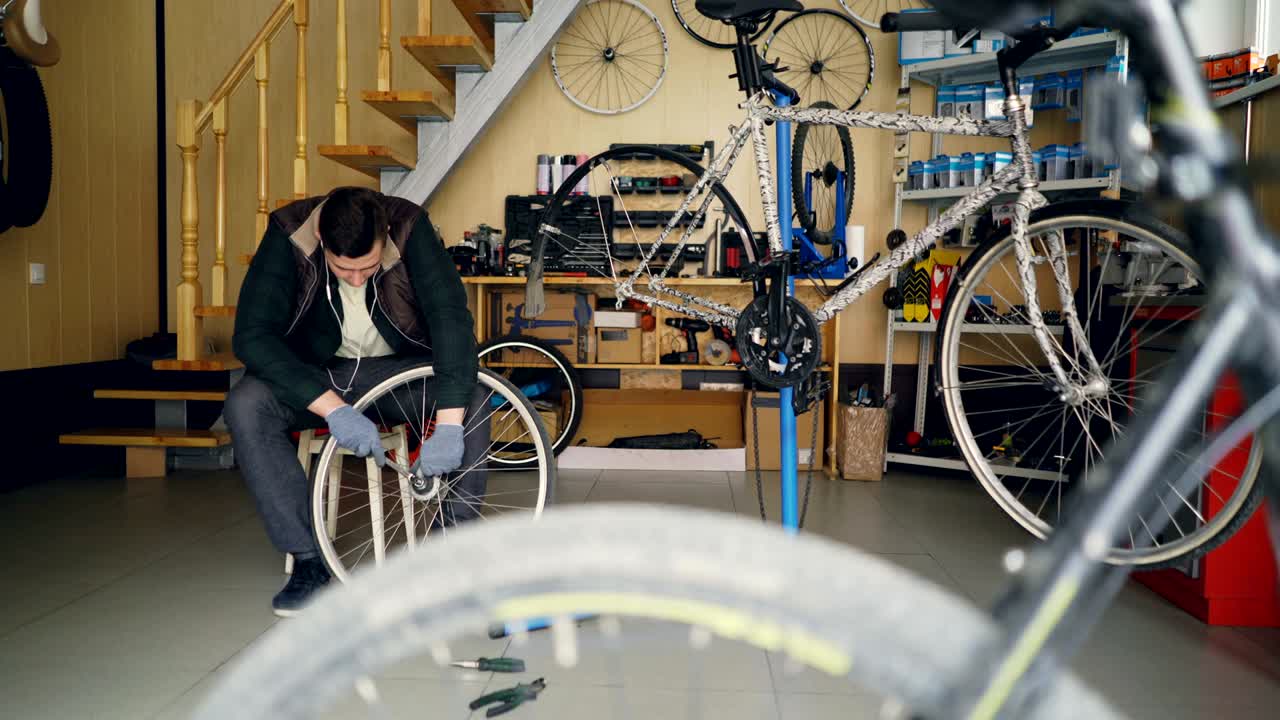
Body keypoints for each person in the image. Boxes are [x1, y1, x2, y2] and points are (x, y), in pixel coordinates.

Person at [224, 186, 484, 617]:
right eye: (344, 269)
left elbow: (451, 320)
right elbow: (252, 336)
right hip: (318, 374)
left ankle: (448, 558)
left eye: (368, 267)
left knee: (471, 397)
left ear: (385, 235)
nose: (357, 280)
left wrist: (451, 425)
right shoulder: (289, 231)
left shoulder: (409, 226)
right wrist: (333, 408)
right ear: (321, 239)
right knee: (246, 405)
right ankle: (308, 560)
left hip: (398, 373)